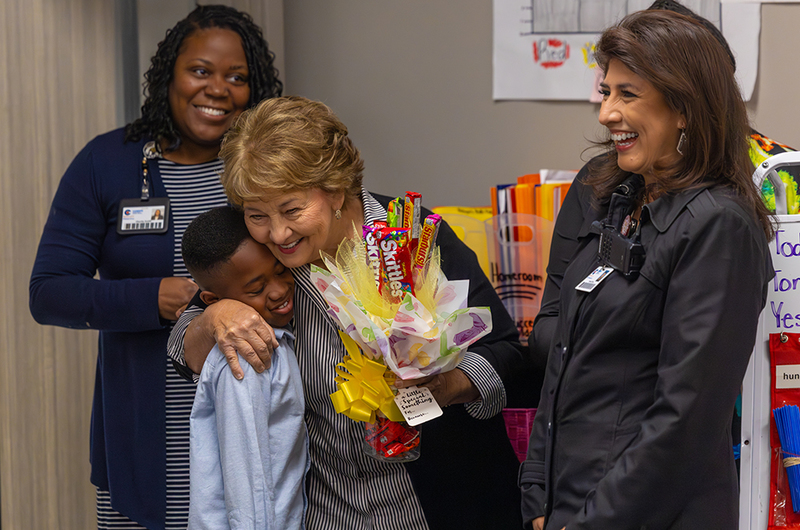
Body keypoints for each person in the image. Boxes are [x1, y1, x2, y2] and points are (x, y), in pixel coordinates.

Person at [167, 95, 525, 529]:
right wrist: (214, 316)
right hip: (326, 509)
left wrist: (447, 385)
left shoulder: (412, 237)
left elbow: (507, 356)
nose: (277, 233)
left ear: (335, 188)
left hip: (436, 506)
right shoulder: (265, 258)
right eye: (257, 214)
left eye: (292, 210)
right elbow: (182, 343)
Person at [28, 5, 282, 529]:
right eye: (201, 71)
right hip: (145, 430)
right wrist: (152, 298)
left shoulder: (265, 172)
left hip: (256, 418)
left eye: (238, 78)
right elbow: (49, 292)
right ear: (169, 74)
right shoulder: (108, 163)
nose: (218, 89)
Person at [519, 9, 774, 530]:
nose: (606, 113)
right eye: (606, 91)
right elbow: (563, 362)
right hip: (572, 500)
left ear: (684, 108)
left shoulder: (718, 226)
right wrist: (538, 498)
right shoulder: (619, 201)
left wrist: (594, 523)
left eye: (627, 94)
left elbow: (686, 419)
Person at [181, 206, 307, 530]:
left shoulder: (279, 337)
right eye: (256, 289)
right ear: (213, 301)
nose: (278, 290)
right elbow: (248, 486)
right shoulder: (246, 359)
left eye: (281, 271)